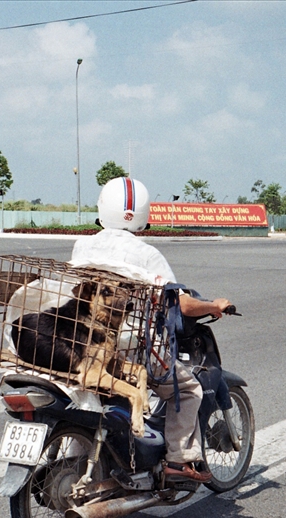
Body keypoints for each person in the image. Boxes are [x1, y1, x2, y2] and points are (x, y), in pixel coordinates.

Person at [70, 177, 232, 483]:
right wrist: (213, 306)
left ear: (103, 207)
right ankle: (178, 460)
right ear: (142, 214)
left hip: (85, 340)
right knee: (188, 388)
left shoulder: (84, 244)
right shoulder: (147, 255)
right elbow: (182, 305)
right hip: (129, 346)